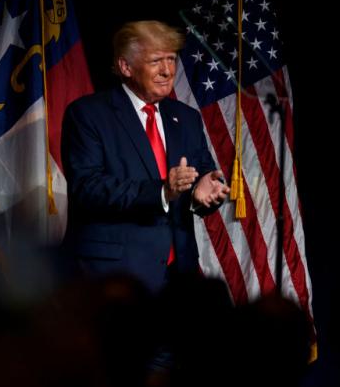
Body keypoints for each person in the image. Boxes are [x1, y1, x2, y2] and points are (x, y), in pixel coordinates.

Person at [61, 20, 230, 292]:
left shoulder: (186, 118)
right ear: (126, 67)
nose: (167, 70)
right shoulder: (88, 115)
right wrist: (162, 191)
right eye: (156, 61)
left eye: (171, 59)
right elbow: (87, 188)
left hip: (178, 276)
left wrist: (203, 196)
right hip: (115, 276)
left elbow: (200, 181)